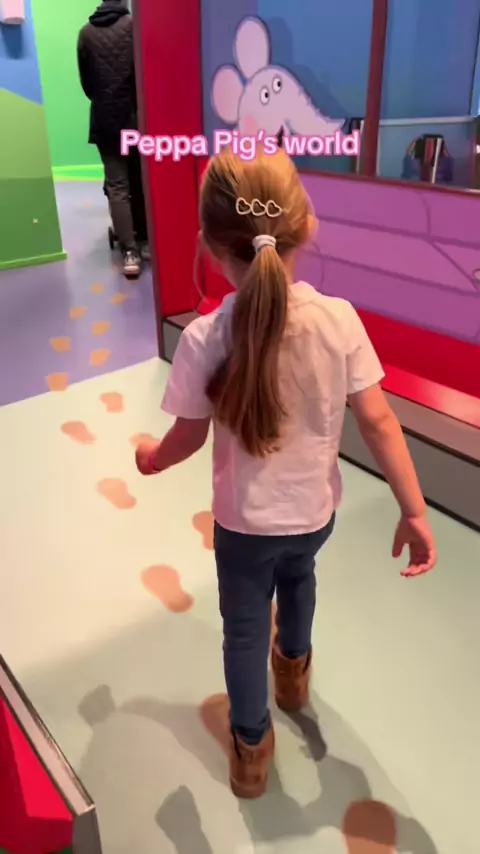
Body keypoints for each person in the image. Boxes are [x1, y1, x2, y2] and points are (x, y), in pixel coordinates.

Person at [135, 148, 437, 799]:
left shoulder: (204, 338)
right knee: (300, 581)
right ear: (307, 227)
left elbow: (188, 436)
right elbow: (380, 422)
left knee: (244, 629)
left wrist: (153, 457)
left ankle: (251, 750)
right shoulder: (340, 320)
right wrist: (413, 510)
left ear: (210, 245)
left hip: (243, 527)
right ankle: (294, 676)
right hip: (314, 515)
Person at [77, 0, 148, 278]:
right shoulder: (134, 26)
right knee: (140, 181)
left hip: (104, 121)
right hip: (135, 119)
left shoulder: (85, 33)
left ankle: (129, 252)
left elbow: (87, 84)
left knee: (117, 186)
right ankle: (144, 238)